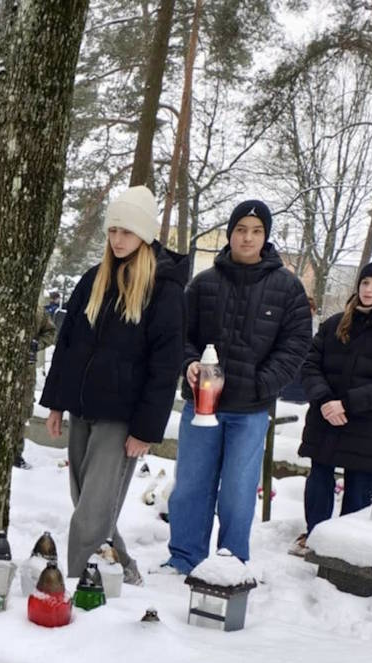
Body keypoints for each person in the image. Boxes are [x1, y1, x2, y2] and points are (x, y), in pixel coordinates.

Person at [40, 185, 186, 579]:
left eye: (126, 231)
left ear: (144, 234)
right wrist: (56, 402)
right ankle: (125, 573)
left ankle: (77, 588)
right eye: (112, 231)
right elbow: (68, 344)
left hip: (122, 418)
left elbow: (164, 364)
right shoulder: (94, 278)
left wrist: (145, 429)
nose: (117, 240)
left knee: (91, 514)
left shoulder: (163, 289)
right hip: (84, 409)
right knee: (87, 503)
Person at [162, 200, 310, 574]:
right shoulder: (203, 284)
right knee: (191, 487)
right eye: (241, 229)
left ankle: (230, 563)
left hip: (250, 412)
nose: (247, 237)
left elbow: (295, 347)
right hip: (202, 408)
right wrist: (189, 364)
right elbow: (182, 335)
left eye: (256, 231)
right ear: (230, 234)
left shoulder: (288, 289)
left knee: (237, 493)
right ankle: (183, 558)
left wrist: (263, 384)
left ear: (266, 237)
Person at [292, 258, 372, 553]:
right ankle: (315, 534)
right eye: (364, 283)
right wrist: (324, 400)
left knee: (360, 483)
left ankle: (344, 547)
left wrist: (346, 404)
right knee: (320, 475)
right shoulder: (336, 323)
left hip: (368, 422)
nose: (368, 289)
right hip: (326, 415)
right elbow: (310, 365)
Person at [15, 306, 58, 469]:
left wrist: (35, 344)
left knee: (22, 412)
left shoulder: (36, 311)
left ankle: (16, 454)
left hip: (25, 371)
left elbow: (51, 332)